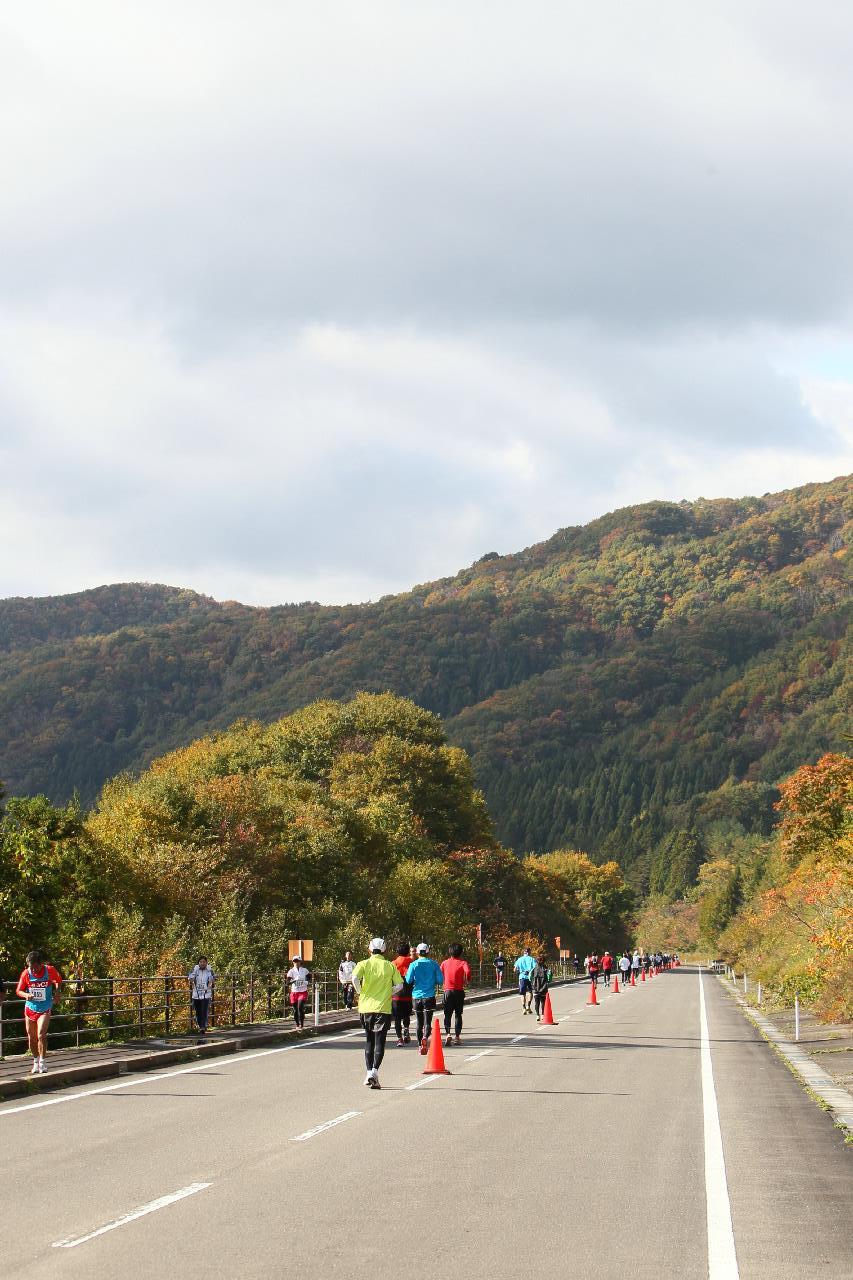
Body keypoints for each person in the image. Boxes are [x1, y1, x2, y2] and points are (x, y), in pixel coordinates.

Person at [351, 938, 401, 1088]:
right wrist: (388, 992)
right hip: (383, 1008)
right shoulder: (389, 966)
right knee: (380, 1041)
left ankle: (368, 1073)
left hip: (365, 1007)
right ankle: (374, 1072)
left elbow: (354, 978)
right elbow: (399, 985)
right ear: (384, 950)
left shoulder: (363, 964)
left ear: (370, 950)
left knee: (369, 1041)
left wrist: (360, 992)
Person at [15, 950, 62, 1075]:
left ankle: (42, 1062)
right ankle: (35, 1061)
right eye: (30, 967)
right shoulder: (26, 973)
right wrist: (26, 995)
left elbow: (58, 980)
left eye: (34, 967)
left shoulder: (49, 970)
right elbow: (18, 990)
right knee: (31, 1037)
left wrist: (57, 992)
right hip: (30, 1008)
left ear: (40, 963)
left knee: (41, 1035)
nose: (33, 970)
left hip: (45, 1007)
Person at [406, 943, 444, 1054]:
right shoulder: (434, 964)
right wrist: (431, 980)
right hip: (429, 996)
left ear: (417, 953)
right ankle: (425, 1037)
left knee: (419, 1022)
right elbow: (440, 981)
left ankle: (419, 1045)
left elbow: (408, 980)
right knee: (428, 1022)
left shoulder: (413, 965)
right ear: (428, 952)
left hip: (416, 996)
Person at [440, 944, 471, 1046]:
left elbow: (440, 974)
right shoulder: (463, 963)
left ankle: (448, 1034)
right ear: (461, 952)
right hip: (459, 991)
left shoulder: (444, 963)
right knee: (458, 1015)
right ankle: (457, 1037)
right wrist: (467, 980)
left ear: (450, 952)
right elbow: (468, 971)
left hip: (447, 991)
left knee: (447, 1014)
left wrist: (443, 981)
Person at [188, 956, 215, 1041]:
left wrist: (210, 971)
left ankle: (203, 1027)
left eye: (204, 962)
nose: (202, 963)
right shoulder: (195, 970)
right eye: (201, 962)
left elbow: (213, 979)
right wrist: (195, 971)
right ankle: (200, 1026)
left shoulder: (209, 971)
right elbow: (190, 979)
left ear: (206, 963)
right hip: (196, 994)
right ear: (198, 963)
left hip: (206, 994)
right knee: (198, 1011)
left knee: (204, 1010)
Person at [391, 943, 414, 1045]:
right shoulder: (412, 962)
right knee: (406, 1015)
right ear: (408, 951)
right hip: (408, 994)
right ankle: (406, 1029)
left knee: (397, 1018)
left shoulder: (393, 963)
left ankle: (399, 1038)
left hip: (396, 994)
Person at [286, 955, 310, 1031]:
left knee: (300, 1007)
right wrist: (294, 980)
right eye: (294, 961)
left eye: (297, 961)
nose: (296, 963)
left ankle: (302, 1024)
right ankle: (297, 1024)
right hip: (294, 992)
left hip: (302, 992)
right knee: (295, 1010)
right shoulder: (291, 971)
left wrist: (305, 982)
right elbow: (287, 982)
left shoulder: (305, 970)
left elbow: (309, 978)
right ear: (293, 962)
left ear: (300, 962)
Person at [514, 947, 536, 1014]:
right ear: (529, 952)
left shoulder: (519, 959)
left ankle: (523, 1008)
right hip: (530, 978)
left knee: (522, 993)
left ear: (524, 952)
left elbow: (515, 969)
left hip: (522, 977)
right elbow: (535, 968)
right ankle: (528, 1006)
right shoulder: (532, 959)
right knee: (530, 992)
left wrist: (519, 971)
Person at [531, 955, 550, 1020]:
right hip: (544, 987)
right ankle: (542, 1015)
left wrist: (533, 986)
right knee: (543, 1002)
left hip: (535, 987)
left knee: (537, 1002)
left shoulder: (534, 968)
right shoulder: (546, 968)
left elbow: (530, 977)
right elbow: (549, 978)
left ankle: (537, 1015)